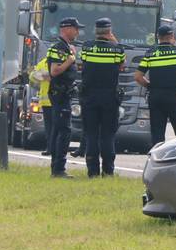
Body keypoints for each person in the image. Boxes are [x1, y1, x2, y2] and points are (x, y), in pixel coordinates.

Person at [78, 17, 126, 177]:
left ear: (95, 31)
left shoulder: (86, 47)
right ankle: (108, 170)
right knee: (108, 134)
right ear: (109, 31)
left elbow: (83, 63)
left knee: (91, 134)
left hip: (89, 96)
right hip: (109, 97)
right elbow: (121, 66)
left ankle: (92, 171)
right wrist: (115, 41)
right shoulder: (117, 49)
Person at [136, 24, 176, 148]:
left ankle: (157, 156)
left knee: (157, 134)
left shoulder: (150, 53)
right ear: (172, 36)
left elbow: (138, 76)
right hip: (175, 97)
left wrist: (150, 85)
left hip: (156, 97)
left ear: (158, 37)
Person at [45, 17, 82, 177]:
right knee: (64, 131)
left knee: (59, 130)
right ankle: (59, 169)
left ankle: (57, 167)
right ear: (67, 29)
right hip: (60, 94)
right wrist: (69, 60)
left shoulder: (65, 47)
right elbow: (54, 71)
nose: (77, 32)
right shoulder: (58, 47)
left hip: (63, 93)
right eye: (75, 28)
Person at [28, 55, 53, 155]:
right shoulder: (44, 63)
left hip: (54, 101)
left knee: (53, 127)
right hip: (50, 101)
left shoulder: (44, 63)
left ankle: (52, 147)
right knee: (51, 127)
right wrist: (46, 76)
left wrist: (45, 76)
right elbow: (32, 76)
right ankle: (51, 147)